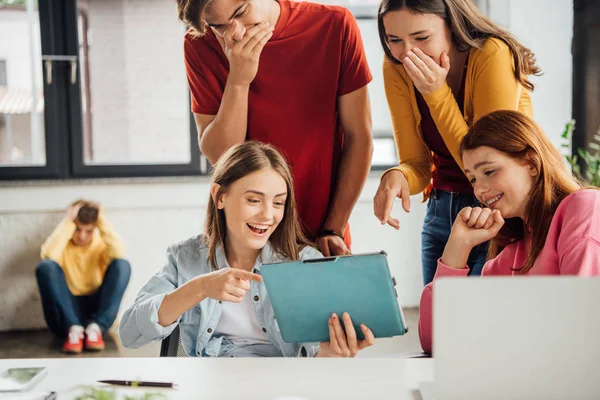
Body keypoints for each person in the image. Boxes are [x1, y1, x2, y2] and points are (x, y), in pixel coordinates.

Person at [119, 141, 375, 357]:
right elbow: (129, 333)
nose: (267, 214)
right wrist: (199, 288)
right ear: (220, 196)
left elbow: (315, 358)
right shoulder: (185, 258)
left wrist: (330, 355)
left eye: (278, 203)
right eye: (254, 200)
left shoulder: (306, 262)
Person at [176, 0, 373, 256]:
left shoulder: (335, 25)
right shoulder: (199, 45)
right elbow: (222, 156)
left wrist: (333, 228)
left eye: (241, 12)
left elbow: (360, 138)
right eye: (218, 26)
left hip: (323, 231)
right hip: (246, 237)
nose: (234, 33)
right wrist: (238, 78)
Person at [372, 0, 541, 285]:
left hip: (497, 212)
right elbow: (417, 165)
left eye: (422, 37)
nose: (408, 52)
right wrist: (398, 175)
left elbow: (487, 163)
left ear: (452, 25)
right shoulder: (396, 67)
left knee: (479, 324)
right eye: (394, 40)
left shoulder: (492, 54)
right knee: (438, 323)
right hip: (441, 211)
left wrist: (436, 93)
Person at [418, 110, 600, 353]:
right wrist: (457, 247)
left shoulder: (584, 207)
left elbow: (584, 324)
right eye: (472, 179)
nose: (480, 190)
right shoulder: (506, 262)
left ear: (532, 164)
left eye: (489, 171)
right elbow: (437, 342)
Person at [36, 200, 131, 354]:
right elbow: (48, 256)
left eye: (88, 231)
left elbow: (120, 254)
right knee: (46, 266)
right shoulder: (62, 245)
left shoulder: (101, 245)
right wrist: (68, 221)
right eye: (77, 229)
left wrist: (101, 219)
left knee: (122, 264)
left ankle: (95, 329)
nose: (81, 236)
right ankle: (74, 331)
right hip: (66, 313)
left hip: (96, 312)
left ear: (96, 228)